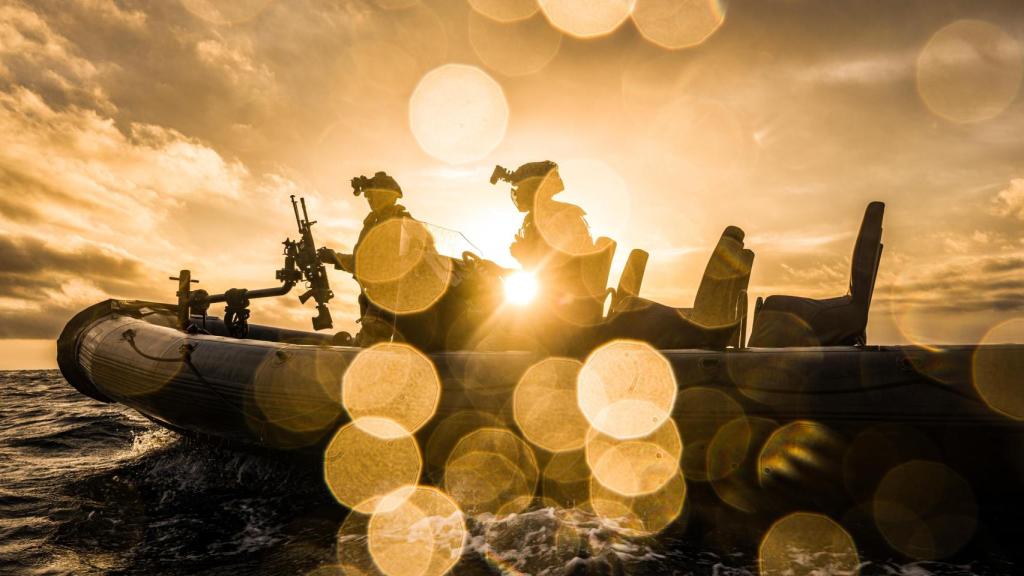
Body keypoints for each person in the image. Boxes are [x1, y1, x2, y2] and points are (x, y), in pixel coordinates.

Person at [490, 161, 601, 353]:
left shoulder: (550, 218)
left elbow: (552, 271)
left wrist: (522, 254)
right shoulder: (562, 214)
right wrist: (504, 269)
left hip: (560, 317)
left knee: (489, 328)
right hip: (566, 308)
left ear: (534, 189)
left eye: (521, 188)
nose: (518, 194)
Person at [318, 171, 417, 346]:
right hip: (372, 296)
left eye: (373, 195)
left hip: (387, 298)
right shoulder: (374, 222)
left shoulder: (397, 223)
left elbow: (371, 264)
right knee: (365, 343)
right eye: (367, 196)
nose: (370, 200)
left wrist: (334, 257)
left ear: (387, 196)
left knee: (370, 347)